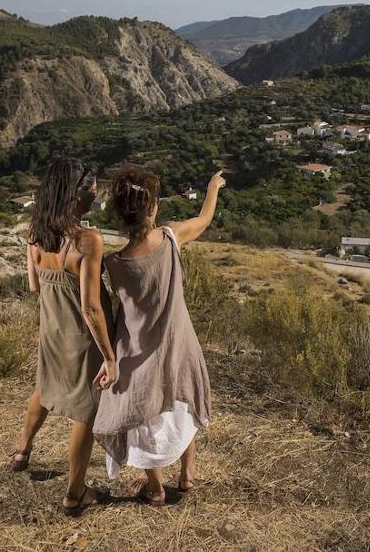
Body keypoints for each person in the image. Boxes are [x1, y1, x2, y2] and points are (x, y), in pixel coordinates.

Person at [93, 164, 224, 504]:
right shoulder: (170, 237)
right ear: (152, 209)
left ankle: (155, 486)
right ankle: (186, 473)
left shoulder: (114, 263)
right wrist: (212, 188)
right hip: (179, 342)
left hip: (137, 349)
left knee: (143, 417)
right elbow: (204, 220)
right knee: (183, 404)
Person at [7, 157, 118, 517]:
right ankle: (75, 493)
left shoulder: (35, 234)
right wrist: (111, 356)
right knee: (86, 410)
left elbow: (33, 285)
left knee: (46, 385)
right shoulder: (87, 240)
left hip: (51, 329)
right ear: (77, 193)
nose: (96, 193)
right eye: (92, 187)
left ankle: (22, 451)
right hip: (83, 338)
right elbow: (90, 308)